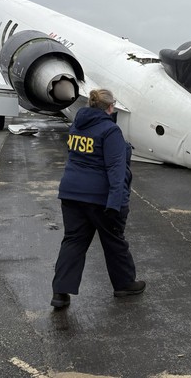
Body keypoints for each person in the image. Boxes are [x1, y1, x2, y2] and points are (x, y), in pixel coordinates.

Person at [50, 89, 144, 309]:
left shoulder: (77, 125)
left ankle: (60, 293)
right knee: (114, 240)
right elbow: (116, 170)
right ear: (110, 108)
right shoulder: (110, 131)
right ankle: (124, 284)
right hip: (99, 198)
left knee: (73, 241)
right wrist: (115, 203)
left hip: (71, 194)